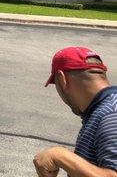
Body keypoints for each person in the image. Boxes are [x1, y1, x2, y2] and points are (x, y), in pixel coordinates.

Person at [33, 46, 117, 177]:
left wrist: (60, 156)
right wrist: (73, 161)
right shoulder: (102, 110)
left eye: (55, 83)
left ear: (62, 79)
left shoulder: (111, 115)